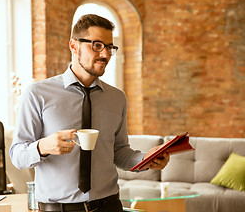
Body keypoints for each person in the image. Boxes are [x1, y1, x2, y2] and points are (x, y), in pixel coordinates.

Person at [10, 14, 169, 212]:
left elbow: (119, 152)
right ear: (74, 45)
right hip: (58, 208)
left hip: (109, 206)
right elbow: (17, 155)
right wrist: (44, 146)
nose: (105, 54)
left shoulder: (117, 98)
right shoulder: (38, 94)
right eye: (96, 45)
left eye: (110, 47)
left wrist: (146, 159)